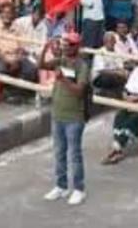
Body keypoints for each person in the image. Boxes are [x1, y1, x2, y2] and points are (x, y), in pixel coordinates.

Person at [39, 32, 90, 206]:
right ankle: (61, 186)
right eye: (64, 44)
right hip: (58, 114)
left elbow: (79, 91)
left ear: (76, 46)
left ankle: (78, 189)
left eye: (69, 44)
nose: (65, 47)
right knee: (59, 152)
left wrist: (63, 79)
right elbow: (42, 65)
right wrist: (45, 48)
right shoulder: (60, 61)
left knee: (74, 155)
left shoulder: (82, 66)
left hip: (74, 117)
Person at [102, 55, 138, 165]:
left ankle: (118, 146)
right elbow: (127, 88)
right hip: (132, 99)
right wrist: (126, 96)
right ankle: (117, 145)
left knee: (135, 119)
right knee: (120, 116)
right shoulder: (137, 71)